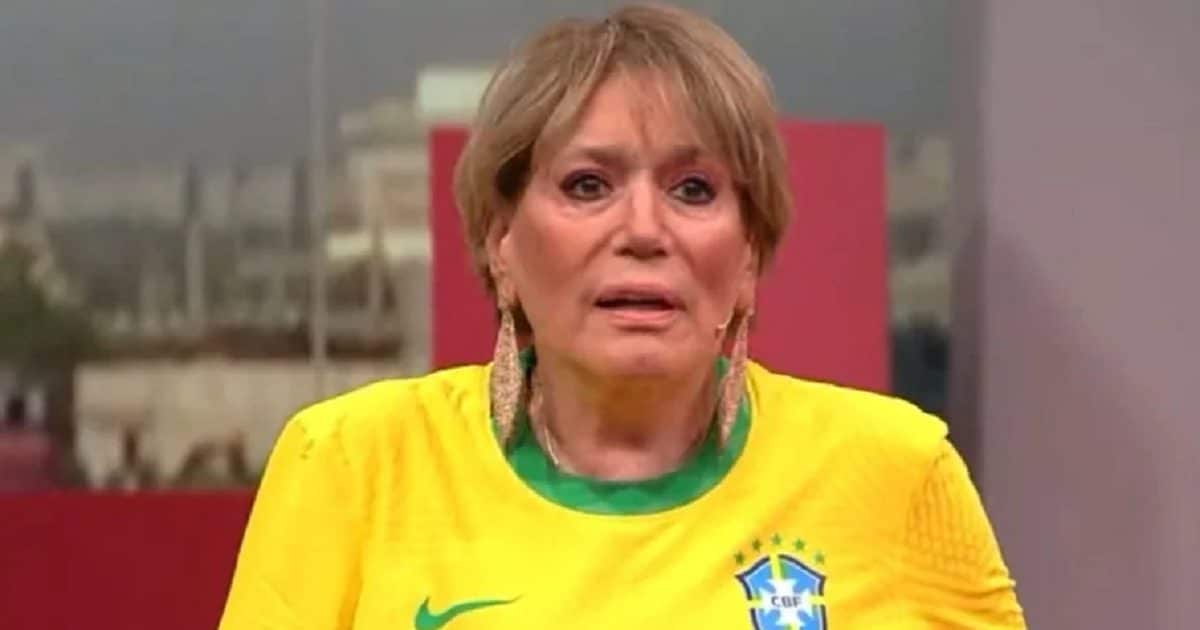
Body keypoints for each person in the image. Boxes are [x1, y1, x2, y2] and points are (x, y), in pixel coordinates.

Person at [220, 3, 1025, 628]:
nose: (644, 230)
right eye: (588, 185)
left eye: (693, 189)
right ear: (502, 241)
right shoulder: (352, 466)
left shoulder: (894, 474)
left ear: (748, 253)